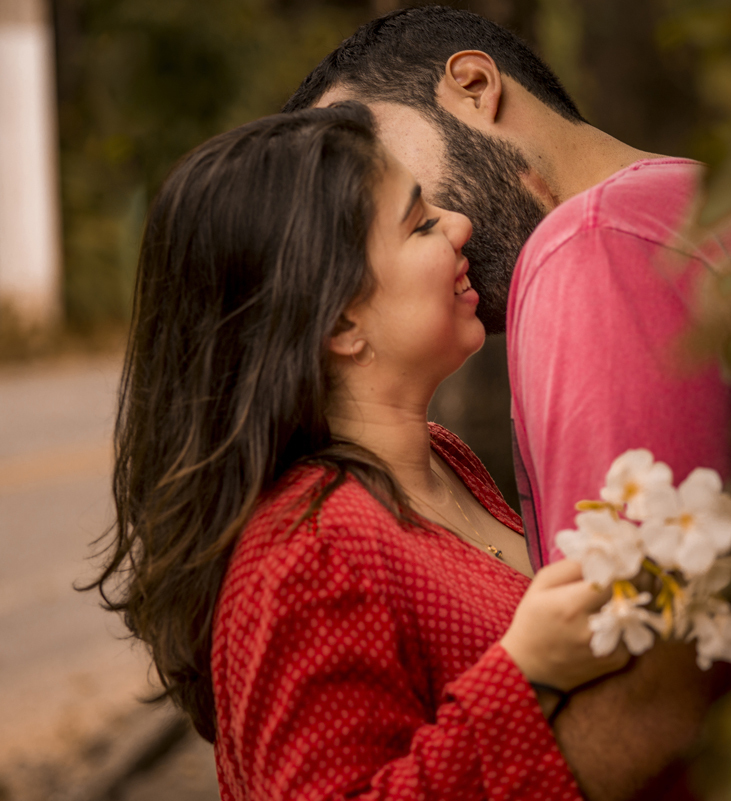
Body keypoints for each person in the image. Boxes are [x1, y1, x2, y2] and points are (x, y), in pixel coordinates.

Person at [284, 7, 731, 800]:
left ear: (472, 86)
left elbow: (642, 687)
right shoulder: (692, 199)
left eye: (383, 172)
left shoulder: (594, 245)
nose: (434, 224)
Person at [87, 102, 630, 800]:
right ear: (342, 319)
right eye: (421, 223)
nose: (461, 225)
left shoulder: (442, 459)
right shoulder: (313, 553)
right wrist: (527, 677)